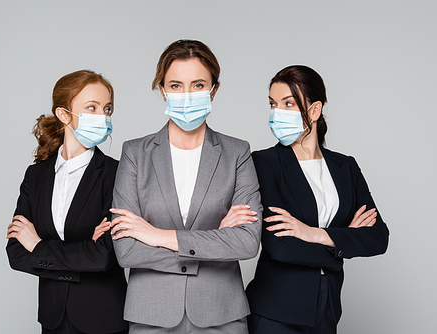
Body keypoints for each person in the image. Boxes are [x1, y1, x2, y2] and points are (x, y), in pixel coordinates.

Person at [109, 39, 262, 333]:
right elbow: (126, 250)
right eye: (176, 86)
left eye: (198, 85)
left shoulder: (237, 153)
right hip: (151, 315)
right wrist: (216, 238)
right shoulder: (135, 153)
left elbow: (246, 242)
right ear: (163, 90)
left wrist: (157, 235)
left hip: (221, 314)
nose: (186, 94)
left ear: (213, 90)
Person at [246, 65, 390, 333]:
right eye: (273, 104)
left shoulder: (345, 166)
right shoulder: (264, 163)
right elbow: (280, 247)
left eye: (288, 103)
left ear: (314, 110)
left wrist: (315, 234)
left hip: (327, 313)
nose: (277, 113)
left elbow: (379, 237)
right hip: (275, 313)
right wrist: (341, 244)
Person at [6, 70, 128, 334]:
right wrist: (82, 252)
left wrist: (38, 246)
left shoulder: (117, 174)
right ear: (64, 115)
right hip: (53, 318)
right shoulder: (36, 176)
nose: (103, 117)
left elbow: (105, 255)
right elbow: (15, 253)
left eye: (107, 109)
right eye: (91, 108)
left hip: (104, 319)